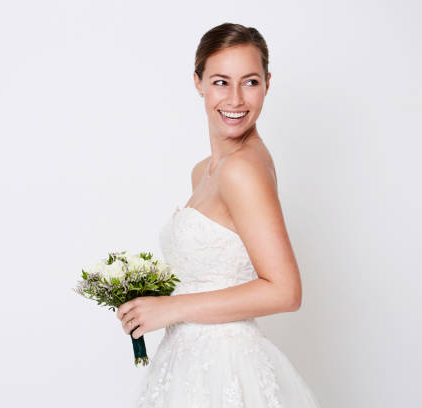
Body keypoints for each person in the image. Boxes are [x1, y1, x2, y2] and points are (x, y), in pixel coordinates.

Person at [116, 23, 323, 407]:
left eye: (250, 82)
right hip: (190, 362)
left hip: (224, 365)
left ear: (267, 83)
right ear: (198, 83)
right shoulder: (205, 170)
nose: (236, 99)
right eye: (220, 82)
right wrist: (151, 300)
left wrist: (171, 308)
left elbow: (285, 290)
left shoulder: (240, 170)